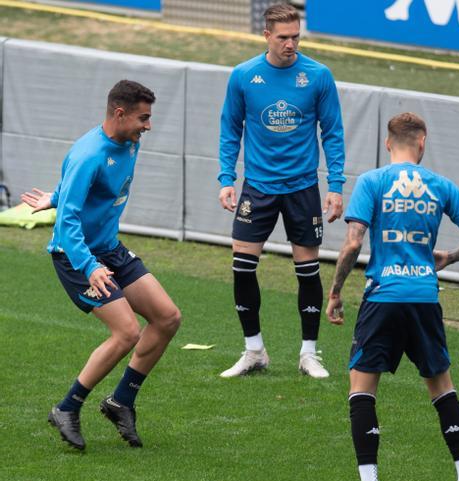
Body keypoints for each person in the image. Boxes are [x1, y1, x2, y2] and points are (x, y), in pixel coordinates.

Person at [326, 113, 459, 481]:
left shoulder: (372, 181)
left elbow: (352, 243)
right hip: (423, 297)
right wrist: (449, 256)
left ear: (388, 144)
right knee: (442, 389)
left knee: (362, 390)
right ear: (422, 142)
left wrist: (335, 291)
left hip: (383, 297)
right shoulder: (441, 185)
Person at [21, 80, 181, 451]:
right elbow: (68, 223)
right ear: (120, 113)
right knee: (126, 332)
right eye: (144, 117)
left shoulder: (131, 142)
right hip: (76, 256)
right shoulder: (88, 153)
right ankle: (66, 408)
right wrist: (89, 266)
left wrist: (56, 195)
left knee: (168, 317)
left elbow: (78, 192)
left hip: (109, 250)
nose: (148, 126)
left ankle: (121, 401)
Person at [217, 3, 345, 379]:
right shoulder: (243, 76)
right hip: (257, 187)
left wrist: (335, 187)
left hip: (303, 188)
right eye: (284, 37)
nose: (291, 44)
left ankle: (309, 354)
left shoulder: (319, 76)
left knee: (307, 271)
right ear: (267, 36)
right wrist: (227, 179)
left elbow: (333, 133)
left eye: (296, 36)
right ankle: (254, 350)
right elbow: (230, 129)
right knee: (242, 268)